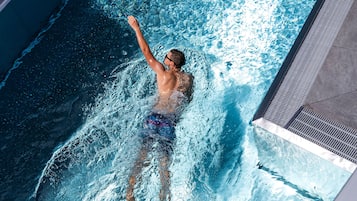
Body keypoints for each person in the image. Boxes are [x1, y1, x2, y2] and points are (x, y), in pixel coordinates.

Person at [126, 16, 193, 201]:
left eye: (167, 57)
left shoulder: (162, 73)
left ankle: (129, 194)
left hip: (154, 117)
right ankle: (164, 196)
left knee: (141, 157)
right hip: (170, 122)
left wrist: (136, 28)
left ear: (171, 62)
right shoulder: (189, 79)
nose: (163, 58)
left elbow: (145, 51)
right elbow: (188, 100)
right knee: (164, 163)